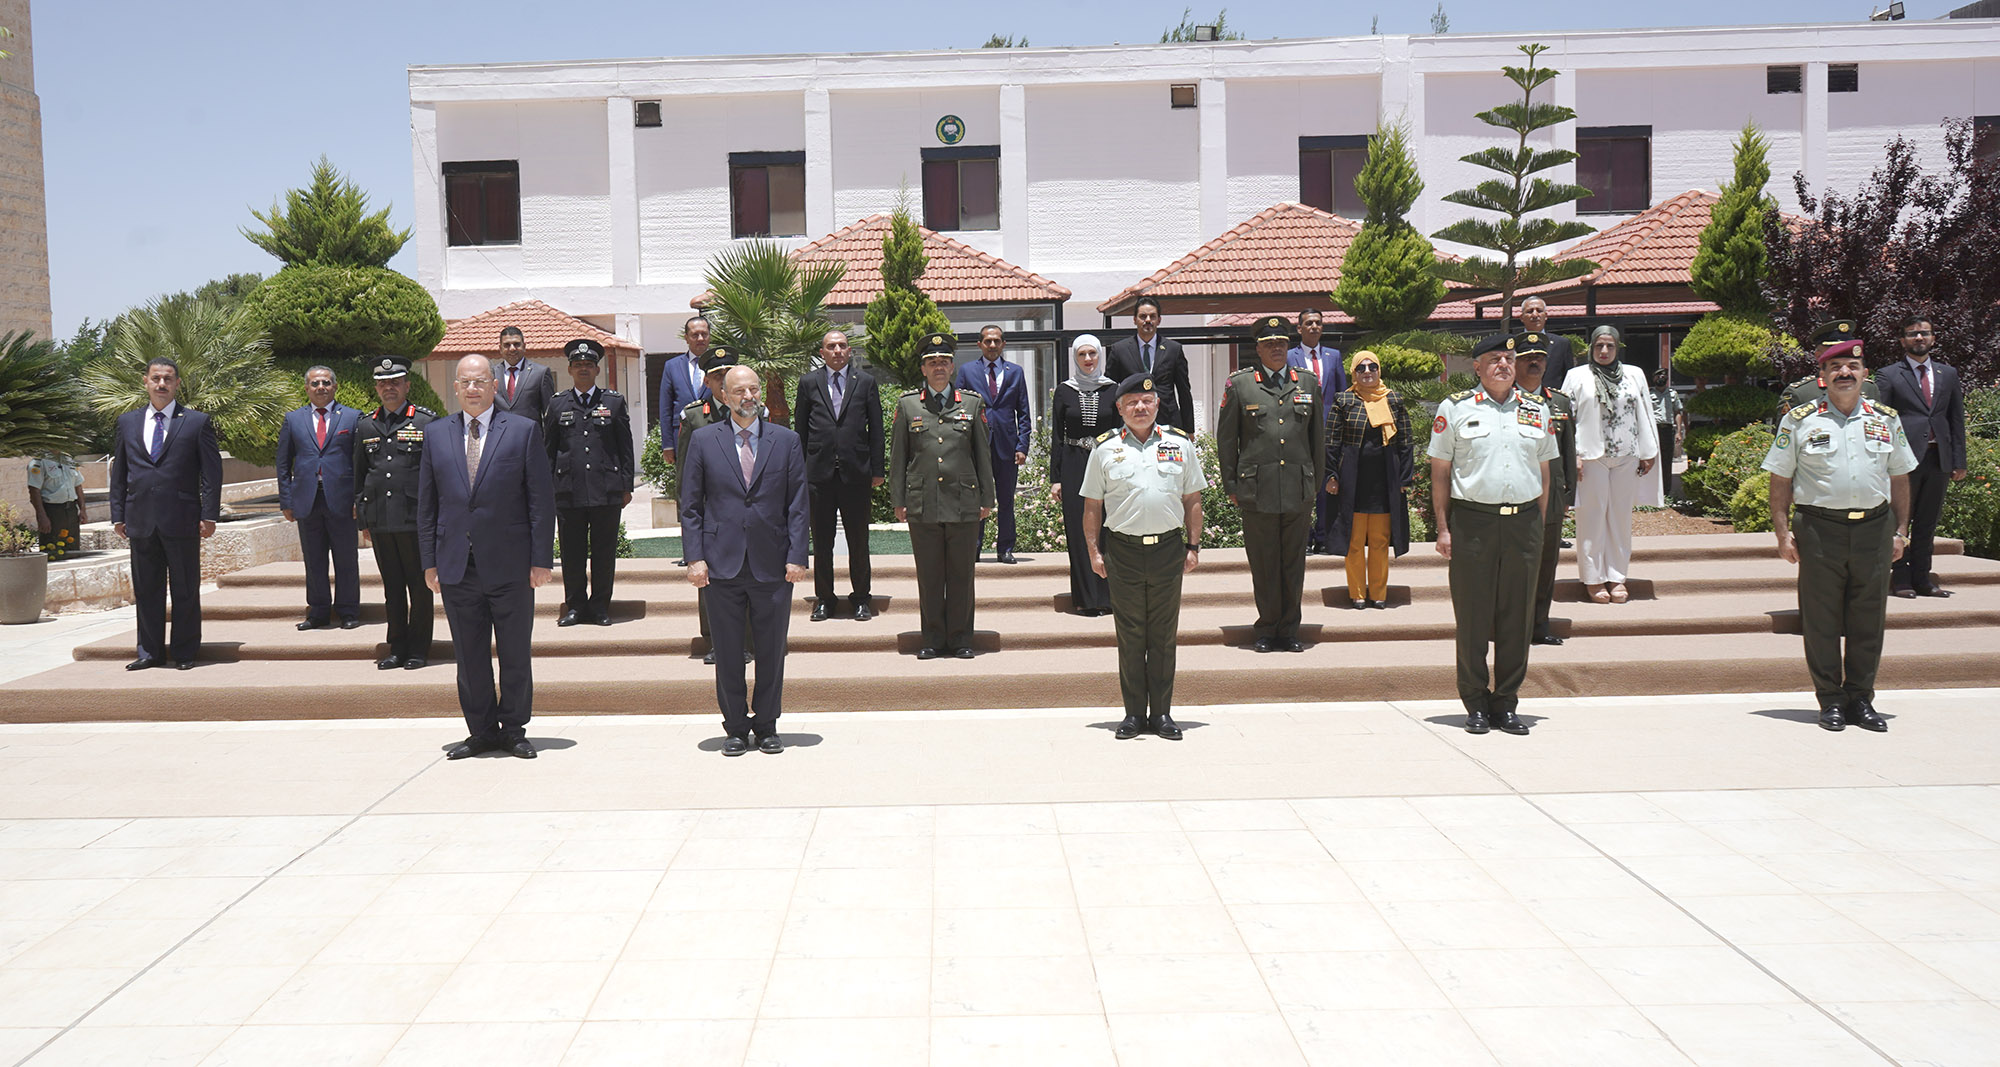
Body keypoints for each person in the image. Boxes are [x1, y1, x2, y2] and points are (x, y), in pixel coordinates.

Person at [1763, 320, 1917, 732]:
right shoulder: (1800, 420)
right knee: (1821, 620)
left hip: (1874, 529)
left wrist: (1901, 530)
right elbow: (1780, 478)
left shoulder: (1885, 418)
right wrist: (1782, 533)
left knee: (1869, 618)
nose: (1844, 373)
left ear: (1865, 373)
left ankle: (1861, 699)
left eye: (1852, 366)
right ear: (1823, 375)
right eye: (1835, 367)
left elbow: (1900, 476)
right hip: (1818, 530)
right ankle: (1830, 700)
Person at [419, 354, 556, 760]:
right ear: (455, 388)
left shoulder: (523, 431)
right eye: (465, 382)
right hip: (457, 564)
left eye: (480, 381)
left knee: (515, 653)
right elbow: (427, 505)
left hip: (511, 564)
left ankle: (513, 729)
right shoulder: (436, 434)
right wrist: (429, 562)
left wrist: (541, 559)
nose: (473, 388)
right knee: (469, 655)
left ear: (494, 386)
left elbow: (540, 501)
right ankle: (480, 730)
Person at [1429, 333, 1559, 735]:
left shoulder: (1537, 409)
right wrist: (1443, 528)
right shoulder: (1455, 408)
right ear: (1477, 367)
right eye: (1494, 359)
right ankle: (1475, 703)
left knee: (1518, 617)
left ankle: (1506, 702)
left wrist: (1537, 524)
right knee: (1473, 616)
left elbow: (1544, 472)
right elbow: (1440, 472)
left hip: (1523, 524)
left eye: (1509, 358)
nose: (1503, 364)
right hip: (1474, 524)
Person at [682, 366, 811, 756]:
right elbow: (691, 506)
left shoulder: (786, 441)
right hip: (721, 564)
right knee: (727, 651)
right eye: (739, 391)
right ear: (724, 396)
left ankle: (768, 724)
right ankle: (736, 727)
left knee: (772, 650)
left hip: (772, 563)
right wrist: (694, 558)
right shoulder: (704, 440)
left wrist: (797, 555)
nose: (748, 396)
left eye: (753, 389)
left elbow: (798, 504)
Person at [1082, 372, 1207, 741]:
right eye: (1132, 402)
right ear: (1120, 409)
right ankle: (1134, 713)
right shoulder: (1104, 448)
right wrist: (1094, 551)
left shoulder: (1179, 443)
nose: (1141, 407)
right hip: (1123, 551)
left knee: (1164, 635)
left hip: (1168, 549)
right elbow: (1092, 506)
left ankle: (1163, 713)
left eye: (1147, 401)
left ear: (1157, 405)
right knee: (1131, 635)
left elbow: (1193, 499)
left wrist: (1193, 546)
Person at [1216, 315, 1327, 653]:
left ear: (1288, 346)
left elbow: (1317, 438)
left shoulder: (1307, 383)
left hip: (1297, 487)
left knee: (1293, 563)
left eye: (1281, 343)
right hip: (1257, 489)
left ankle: (1289, 630)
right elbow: (1227, 440)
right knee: (1264, 563)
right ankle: (1266, 628)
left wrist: (1315, 483)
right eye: (1269, 344)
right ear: (1258, 349)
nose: (1276, 348)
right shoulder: (1241, 385)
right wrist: (1231, 485)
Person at [108, 357, 222, 671]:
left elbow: (212, 473)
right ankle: (149, 652)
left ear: (177, 384)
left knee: (185, 589)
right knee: (146, 590)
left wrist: (210, 514)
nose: (161, 384)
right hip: (140, 519)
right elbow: (120, 472)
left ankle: (185, 652)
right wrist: (118, 514)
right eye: (156, 378)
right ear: (145, 381)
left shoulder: (196, 422)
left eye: (168, 379)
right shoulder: (127, 422)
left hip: (183, 518)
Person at [893, 333, 996, 659]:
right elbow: (899, 457)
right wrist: (899, 500)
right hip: (923, 503)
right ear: (923, 369)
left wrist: (987, 499)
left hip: (964, 502)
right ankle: (933, 639)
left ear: (953, 367)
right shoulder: (908, 405)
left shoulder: (972, 403)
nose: (938, 367)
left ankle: (962, 639)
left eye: (944, 362)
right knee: (930, 575)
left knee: (962, 574)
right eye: (932, 362)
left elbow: (982, 455)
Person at [1561, 326, 1661, 605]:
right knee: (1591, 518)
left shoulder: (1634, 374)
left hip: (1626, 455)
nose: (1604, 351)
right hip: (1591, 457)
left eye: (1610, 346)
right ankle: (1593, 578)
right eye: (1598, 346)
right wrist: (1573, 455)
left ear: (1618, 347)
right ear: (1591, 347)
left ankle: (1617, 577)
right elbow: (1566, 417)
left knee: (1620, 518)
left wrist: (1648, 451)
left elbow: (1644, 412)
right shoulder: (1577, 376)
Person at [793, 329, 885, 622]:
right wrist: (799, 470)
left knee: (859, 540)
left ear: (849, 351)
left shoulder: (865, 382)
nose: (837, 350)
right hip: (818, 473)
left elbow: (876, 429)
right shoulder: (808, 382)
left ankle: (861, 598)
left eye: (842, 346)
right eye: (831, 346)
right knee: (822, 542)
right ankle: (825, 599)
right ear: (822, 352)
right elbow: (800, 430)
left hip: (856, 472)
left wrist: (878, 469)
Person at [1872, 313, 1966, 599]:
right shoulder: (1889, 375)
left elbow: (1955, 418)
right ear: (1903, 341)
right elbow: (1880, 419)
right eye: (1912, 333)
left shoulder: (1948, 374)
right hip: (1903, 461)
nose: (1919, 337)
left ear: (1933, 338)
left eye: (1924, 332)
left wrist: (1959, 460)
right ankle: (1901, 580)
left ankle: (1923, 580)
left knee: (1927, 522)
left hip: (1939, 459)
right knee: (1900, 521)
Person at [353, 355, 437, 670]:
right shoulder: (365, 425)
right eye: (383, 383)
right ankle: (397, 647)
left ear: (407, 386)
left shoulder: (425, 422)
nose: (389, 388)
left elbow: (436, 474)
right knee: (392, 588)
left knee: (420, 586)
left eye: (395, 382)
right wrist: (364, 518)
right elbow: (359, 475)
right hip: (381, 519)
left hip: (415, 518)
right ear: (376, 388)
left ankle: (418, 649)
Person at [545, 338, 635, 627]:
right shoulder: (558, 403)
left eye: (588, 364)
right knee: (571, 553)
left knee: (604, 552)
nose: (583, 369)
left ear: (597, 370)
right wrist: (547, 488)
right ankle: (575, 606)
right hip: (568, 490)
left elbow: (625, 447)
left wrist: (626, 485)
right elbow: (549, 450)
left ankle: (599, 607)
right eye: (578, 364)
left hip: (606, 489)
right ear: (569, 370)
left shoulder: (613, 402)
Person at [1326, 350, 1414, 610]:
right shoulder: (1344, 400)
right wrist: (1331, 475)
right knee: (1354, 541)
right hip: (1352, 479)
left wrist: (1404, 478)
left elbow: (1405, 441)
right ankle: (1357, 593)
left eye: (1372, 367)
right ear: (1353, 372)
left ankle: (1378, 593)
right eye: (1361, 368)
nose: (1367, 372)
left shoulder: (1394, 399)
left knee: (1379, 541)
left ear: (1379, 371)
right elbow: (1331, 442)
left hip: (1385, 480)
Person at [276, 365, 362, 631]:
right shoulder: (293, 419)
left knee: (346, 558)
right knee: (314, 560)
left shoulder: (352, 417)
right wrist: (286, 501)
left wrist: (359, 499)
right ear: (307, 388)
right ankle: (318, 612)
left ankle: (348, 611)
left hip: (342, 500)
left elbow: (360, 463)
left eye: (326, 382)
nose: (321, 387)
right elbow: (283, 464)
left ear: (335, 386)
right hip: (307, 500)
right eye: (315, 383)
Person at [679, 347, 749, 666]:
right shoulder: (695, 416)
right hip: (711, 517)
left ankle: (746, 641)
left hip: (747, 513)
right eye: (716, 376)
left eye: (727, 374)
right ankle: (714, 642)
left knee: (748, 577)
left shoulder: (753, 412)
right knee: (710, 584)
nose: (722, 381)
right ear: (707, 382)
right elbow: (686, 476)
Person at [1048, 334, 1121, 617]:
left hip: (1106, 463)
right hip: (1074, 463)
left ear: (1100, 355)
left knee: (1107, 526)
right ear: (1075, 357)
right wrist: (1055, 478)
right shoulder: (1064, 391)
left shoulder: (1112, 390)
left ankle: (1108, 596)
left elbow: (1121, 432)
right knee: (1079, 529)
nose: (1088, 359)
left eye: (1092, 353)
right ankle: (1086, 598)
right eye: (1082, 354)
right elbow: (1057, 437)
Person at [1515, 335, 1578, 645]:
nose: (1534, 362)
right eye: (1527, 358)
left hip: (1551, 496)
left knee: (1545, 565)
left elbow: (1568, 452)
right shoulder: (1504, 400)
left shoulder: (1560, 403)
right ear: (1515, 363)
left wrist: (1567, 496)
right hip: (1514, 495)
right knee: (1514, 565)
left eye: (1539, 357)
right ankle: (1511, 628)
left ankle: (1539, 627)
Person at [955, 325, 1033, 563]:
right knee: (976, 498)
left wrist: (1022, 446)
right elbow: (958, 409)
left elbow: (1024, 413)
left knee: (1006, 499)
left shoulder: (1015, 372)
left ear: (1003, 344)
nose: (992, 345)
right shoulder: (967, 371)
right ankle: (974, 548)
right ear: (979, 344)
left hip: (1007, 447)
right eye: (988, 341)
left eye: (997, 341)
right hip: (975, 446)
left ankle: (1005, 549)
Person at [1289, 308, 1347, 554]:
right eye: (1309, 323)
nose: (1314, 327)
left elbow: (1342, 395)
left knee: (1326, 484)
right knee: (1301, 485)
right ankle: (1303, 537)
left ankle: (1323, 536)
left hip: (1329, 431)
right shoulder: (1289, 357)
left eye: (1318, 323)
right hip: (1298, 431)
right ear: (1299, 328)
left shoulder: (1334, 356)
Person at [1105, 297, 1196, 434]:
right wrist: (1110, 428)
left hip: (1168, 422)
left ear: (1159, 320)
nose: (1148, 320)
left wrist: (1189, 429)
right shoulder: (1119, 350)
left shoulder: (1173, 349)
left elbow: (1184, 392)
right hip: (1131, 423)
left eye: (1152, 316)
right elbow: (1110, 392)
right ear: (1134, 319)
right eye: (1143, 316)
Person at [657, 315, 713, 465]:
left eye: (704, 334)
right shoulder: (672, 366)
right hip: (682, 437)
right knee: (685, 478)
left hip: (714, 434)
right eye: (695, 335)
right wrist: (667, 445)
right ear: (686, 338)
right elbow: (665, 409)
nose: (700, 338)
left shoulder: (720, 366)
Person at [25, 453, 85, 562]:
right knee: (52, 549)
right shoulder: (39, 462)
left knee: (73, 549)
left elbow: (78, 486)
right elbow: (34, 491)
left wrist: (83, 510)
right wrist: (42, 516)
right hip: (52, 512)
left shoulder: (68, 460)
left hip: (71, 510)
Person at [493, 325, 556, 425]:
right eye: (507, 345)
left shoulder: (540, 373)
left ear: (524, 346)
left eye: (517, 344)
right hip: (499, 433)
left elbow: (550, 414)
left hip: (530, 434)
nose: (512, 349)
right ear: (500, 348)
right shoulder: (491, 374)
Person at [1517, 297, 1575, 386]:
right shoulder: (1514, 343)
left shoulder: (1561, 344)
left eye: (1539, 311)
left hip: (1552, 394)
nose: (1535, 315)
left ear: (1546, 316)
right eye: (1530, 311)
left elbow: (1568, 377)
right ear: (1521, 317)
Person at [1650, 368, 1685, 504]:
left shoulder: (1672, 394)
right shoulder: (1648, 393)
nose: (1661, 377)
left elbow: (1678, 412)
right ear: (1653, 378)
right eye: (1658, 375)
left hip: (1667, 430)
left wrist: (1678, 431)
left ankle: (1666, 493)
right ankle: (1652, 493)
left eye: (1663, 375)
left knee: (1666, 462)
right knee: (1652, 460)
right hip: (1653, 431)